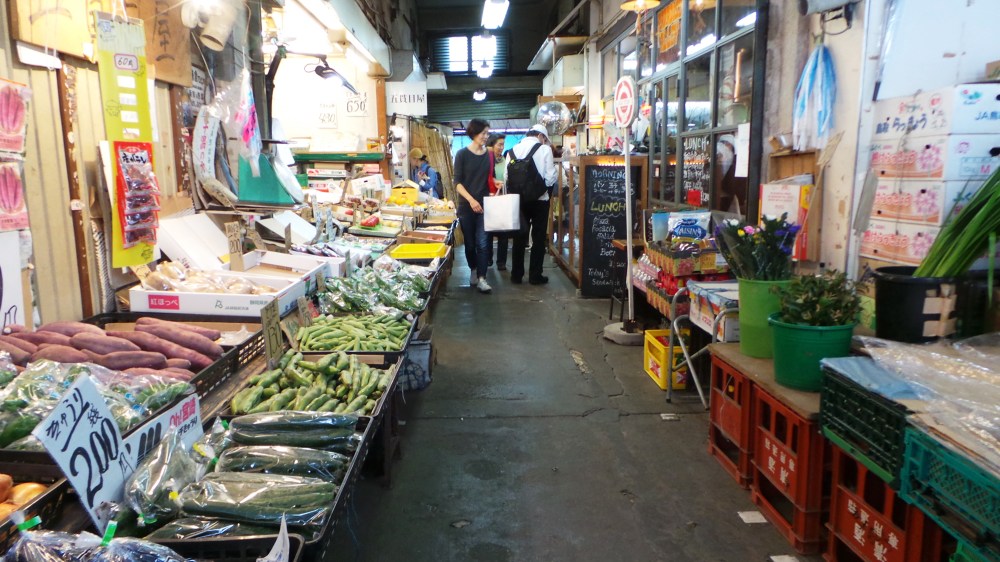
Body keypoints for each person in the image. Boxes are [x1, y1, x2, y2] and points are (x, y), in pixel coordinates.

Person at [505, 124, 557, 285]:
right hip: (539, 200)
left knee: (519, 237)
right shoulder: (544, 150)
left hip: (518, 200)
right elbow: (550, 176)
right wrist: (544, 191)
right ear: (541, 136)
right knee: (538, 237)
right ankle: (535, 275)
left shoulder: (512, 150)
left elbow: (507, 177)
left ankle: (516, 275)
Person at [454, 118, 493, 294]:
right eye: (484, 133)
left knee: (483, 243)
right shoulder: (462, 154)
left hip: (485, 205)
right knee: (469, 244)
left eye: (487, 133)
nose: (486, 136)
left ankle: (482, 278)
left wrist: (496, 183)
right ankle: (474, 270)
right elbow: (458, 183)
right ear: (474, 133)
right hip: (466, 205)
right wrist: (471, 200)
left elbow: (488, 178)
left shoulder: (489, 154)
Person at [485, 133, 510, 271]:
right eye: (499, 144)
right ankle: (488, 258)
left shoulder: (504, 161)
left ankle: (501, 262)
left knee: (503, 232)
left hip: (502, 199)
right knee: (488, 231)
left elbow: (507, 178)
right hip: (489, 199)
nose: (502, 147)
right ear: (491, 144)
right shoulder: (486, 159)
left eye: (503, 145)